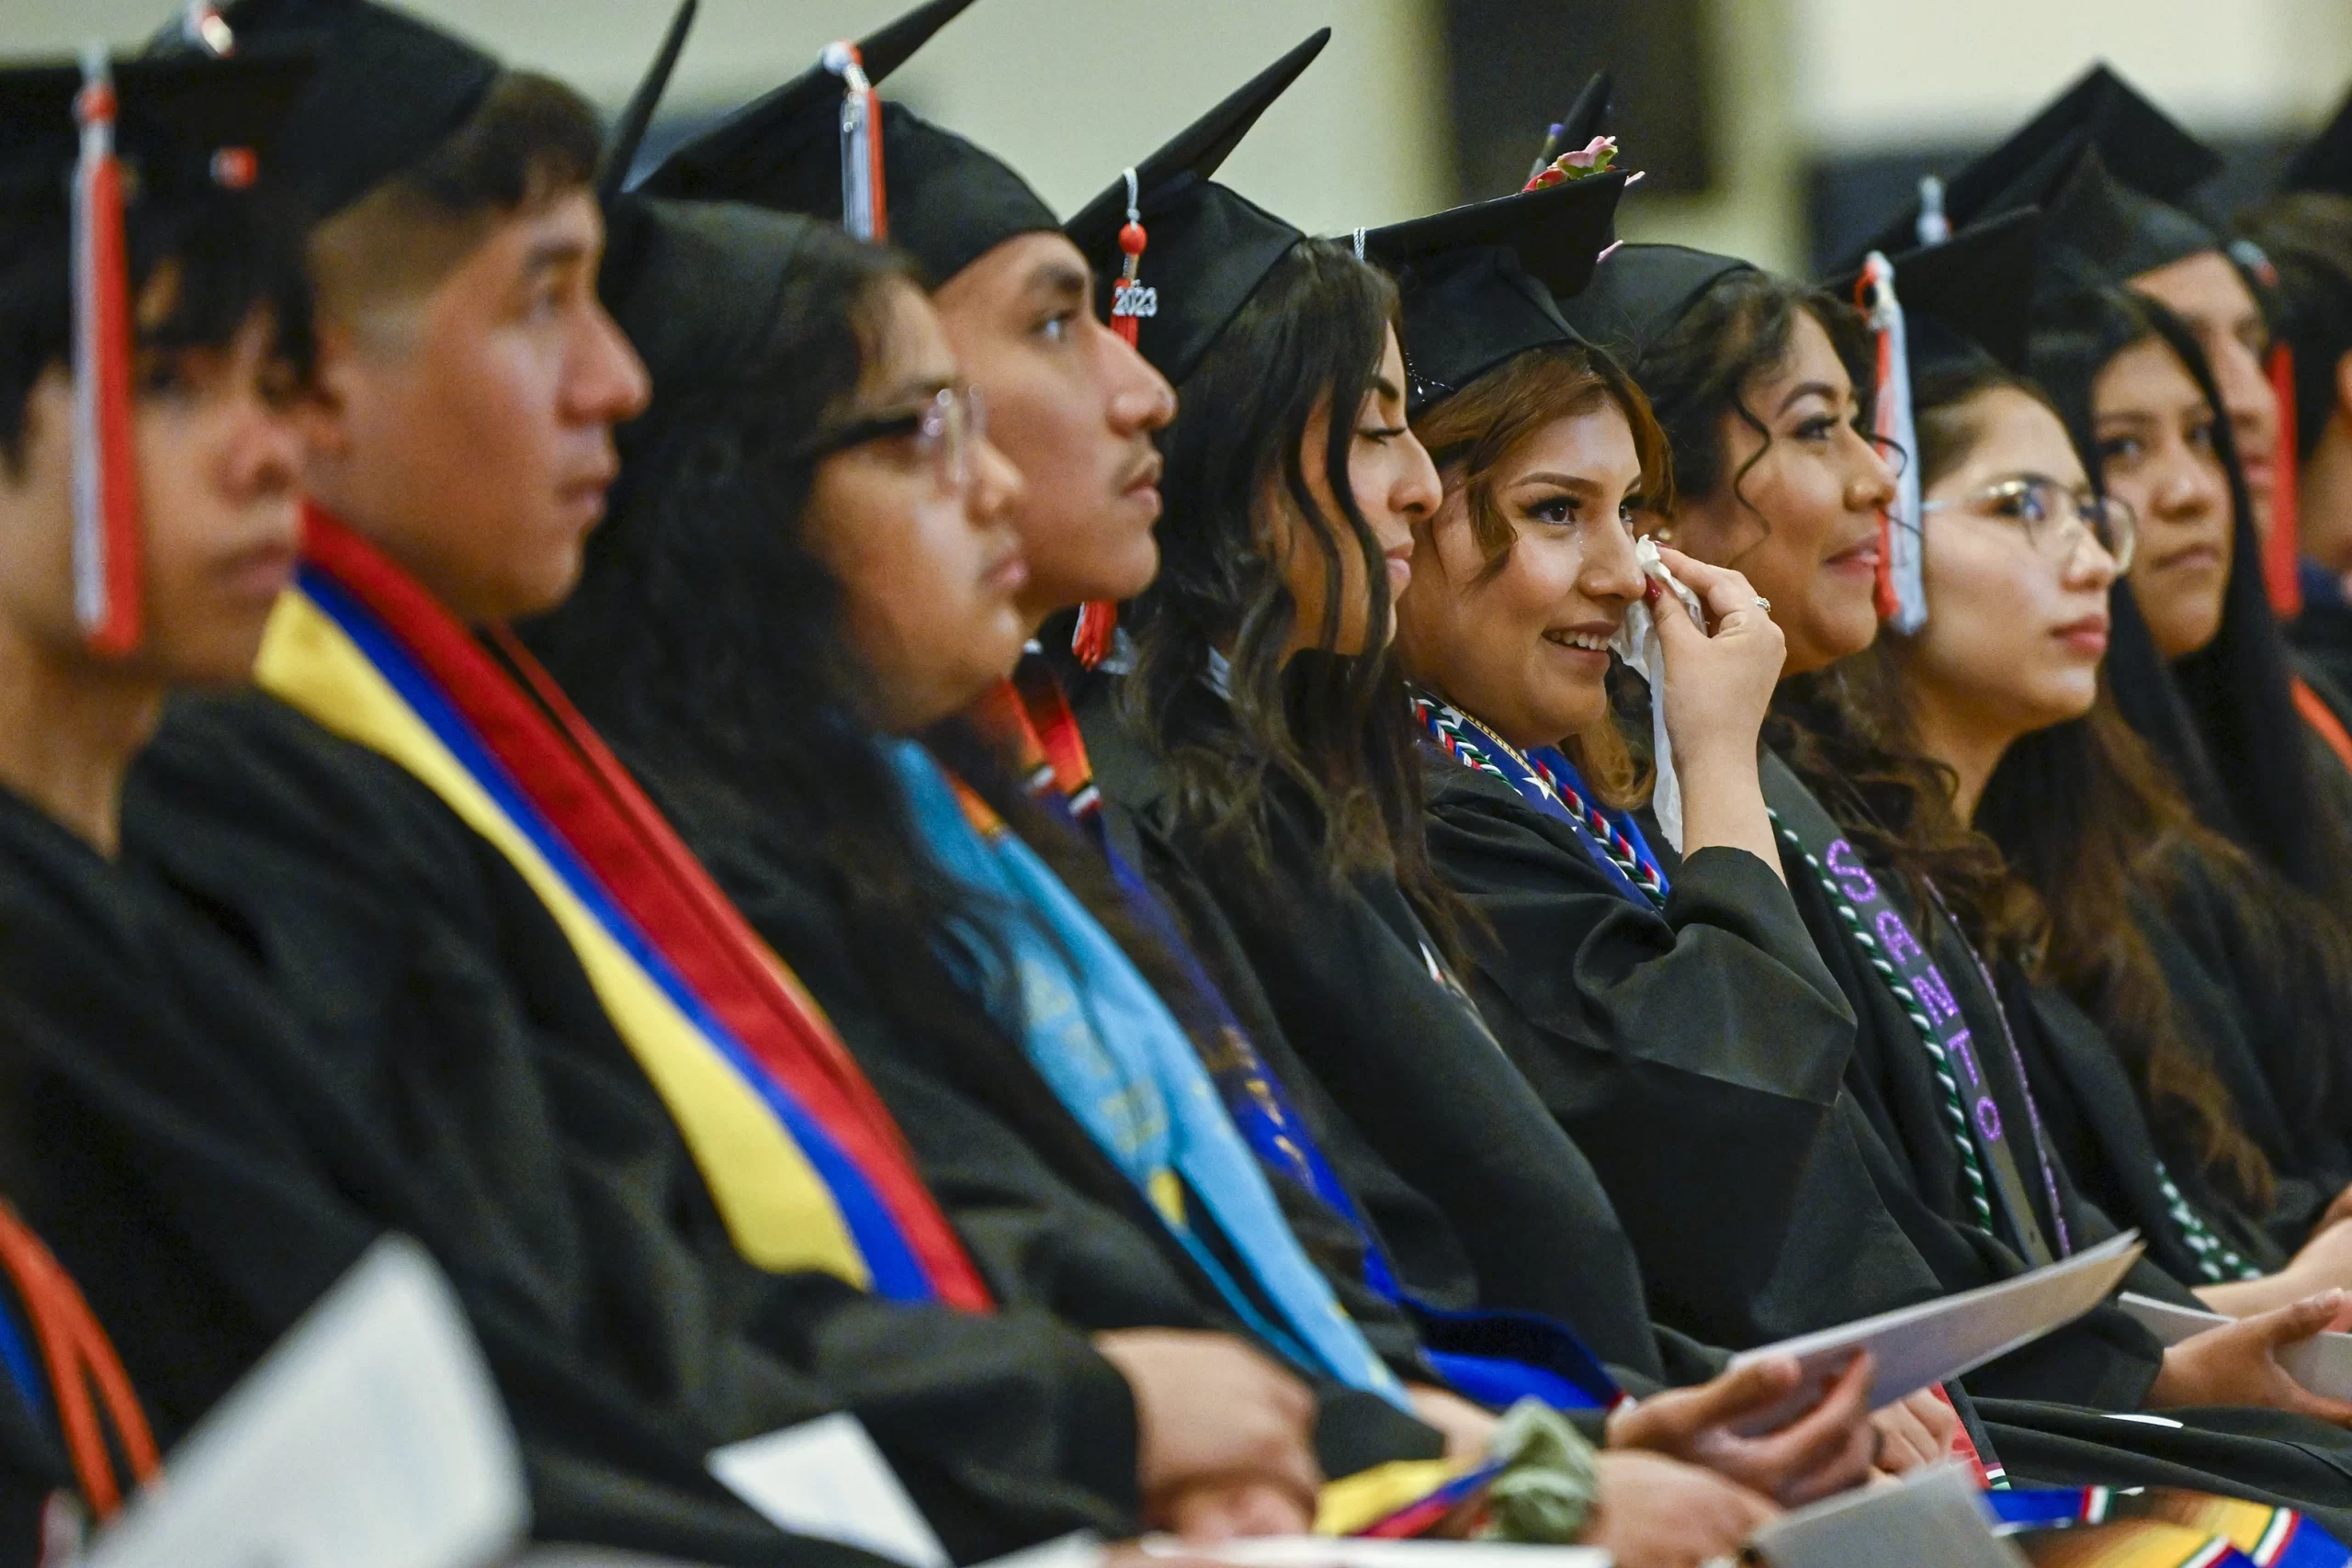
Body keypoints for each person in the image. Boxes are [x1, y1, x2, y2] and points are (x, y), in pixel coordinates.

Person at [115, 0, 1336, 1556]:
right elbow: (554, 1345)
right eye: (543, 300)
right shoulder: (259, 782)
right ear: (315, 376)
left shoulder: (486, 751)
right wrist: (1087, 1421)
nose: (612, 381)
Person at [1570, 222, 2352, 1528]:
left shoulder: (1845, 819)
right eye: (1818, 430)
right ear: (1669, 499)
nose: (1876, 483)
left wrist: (2230, 1320)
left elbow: (1965, 1238)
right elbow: (1765, 1232)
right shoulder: (1650, 817)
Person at [2028, 276, 2352, 1215]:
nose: (2189, 490)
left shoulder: (2280, 733)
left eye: (2199, 438)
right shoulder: (2060, 841)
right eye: (2123, 448)